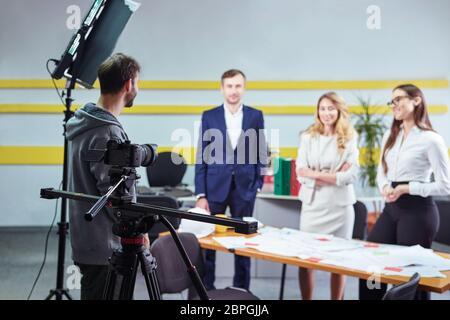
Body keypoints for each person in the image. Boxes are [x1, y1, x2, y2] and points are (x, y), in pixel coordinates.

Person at [66, 53, 151, 300]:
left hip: (88, 242)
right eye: (137, 82)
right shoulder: (107, 132)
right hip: (108, 248)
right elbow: (116, 197)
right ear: (128, 85)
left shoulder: (85, 123)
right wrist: (137, 230)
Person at [359, 84, 450, 300]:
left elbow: (445, 185)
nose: (394, 105)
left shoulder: (431, 139)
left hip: (418, 211)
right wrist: (384, 187)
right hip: (392, 208)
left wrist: (407, 188)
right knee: (371, 264)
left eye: (399, 99)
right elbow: (382, 172)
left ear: (416, 100)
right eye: (392, 101)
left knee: (412, 276)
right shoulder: (390, 136)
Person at [194, 69, 267, 290]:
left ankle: (241, 291)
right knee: (208, 245)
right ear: (222, 88)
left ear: (243, 88)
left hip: (245, 189)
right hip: (214, 188)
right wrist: (201, 194)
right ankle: (206, 292)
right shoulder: (209, 115)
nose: (233, 91)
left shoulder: (255, 115)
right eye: (229, 86)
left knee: (244, 244)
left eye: (238, 86)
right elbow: (202, 155)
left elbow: (261, 151)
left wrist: (258, 184)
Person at [296, 92, 359, 300]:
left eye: (331, 108)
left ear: (339, 111)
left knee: (338, 262)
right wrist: (334, 175)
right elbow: (300, 171)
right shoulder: (307, 137)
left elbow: (350, 176)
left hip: (340, 208)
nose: (326, 113)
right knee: (306, 261)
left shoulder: (350, 137)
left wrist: (315, 174)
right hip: (313, 206)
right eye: (322, 108)